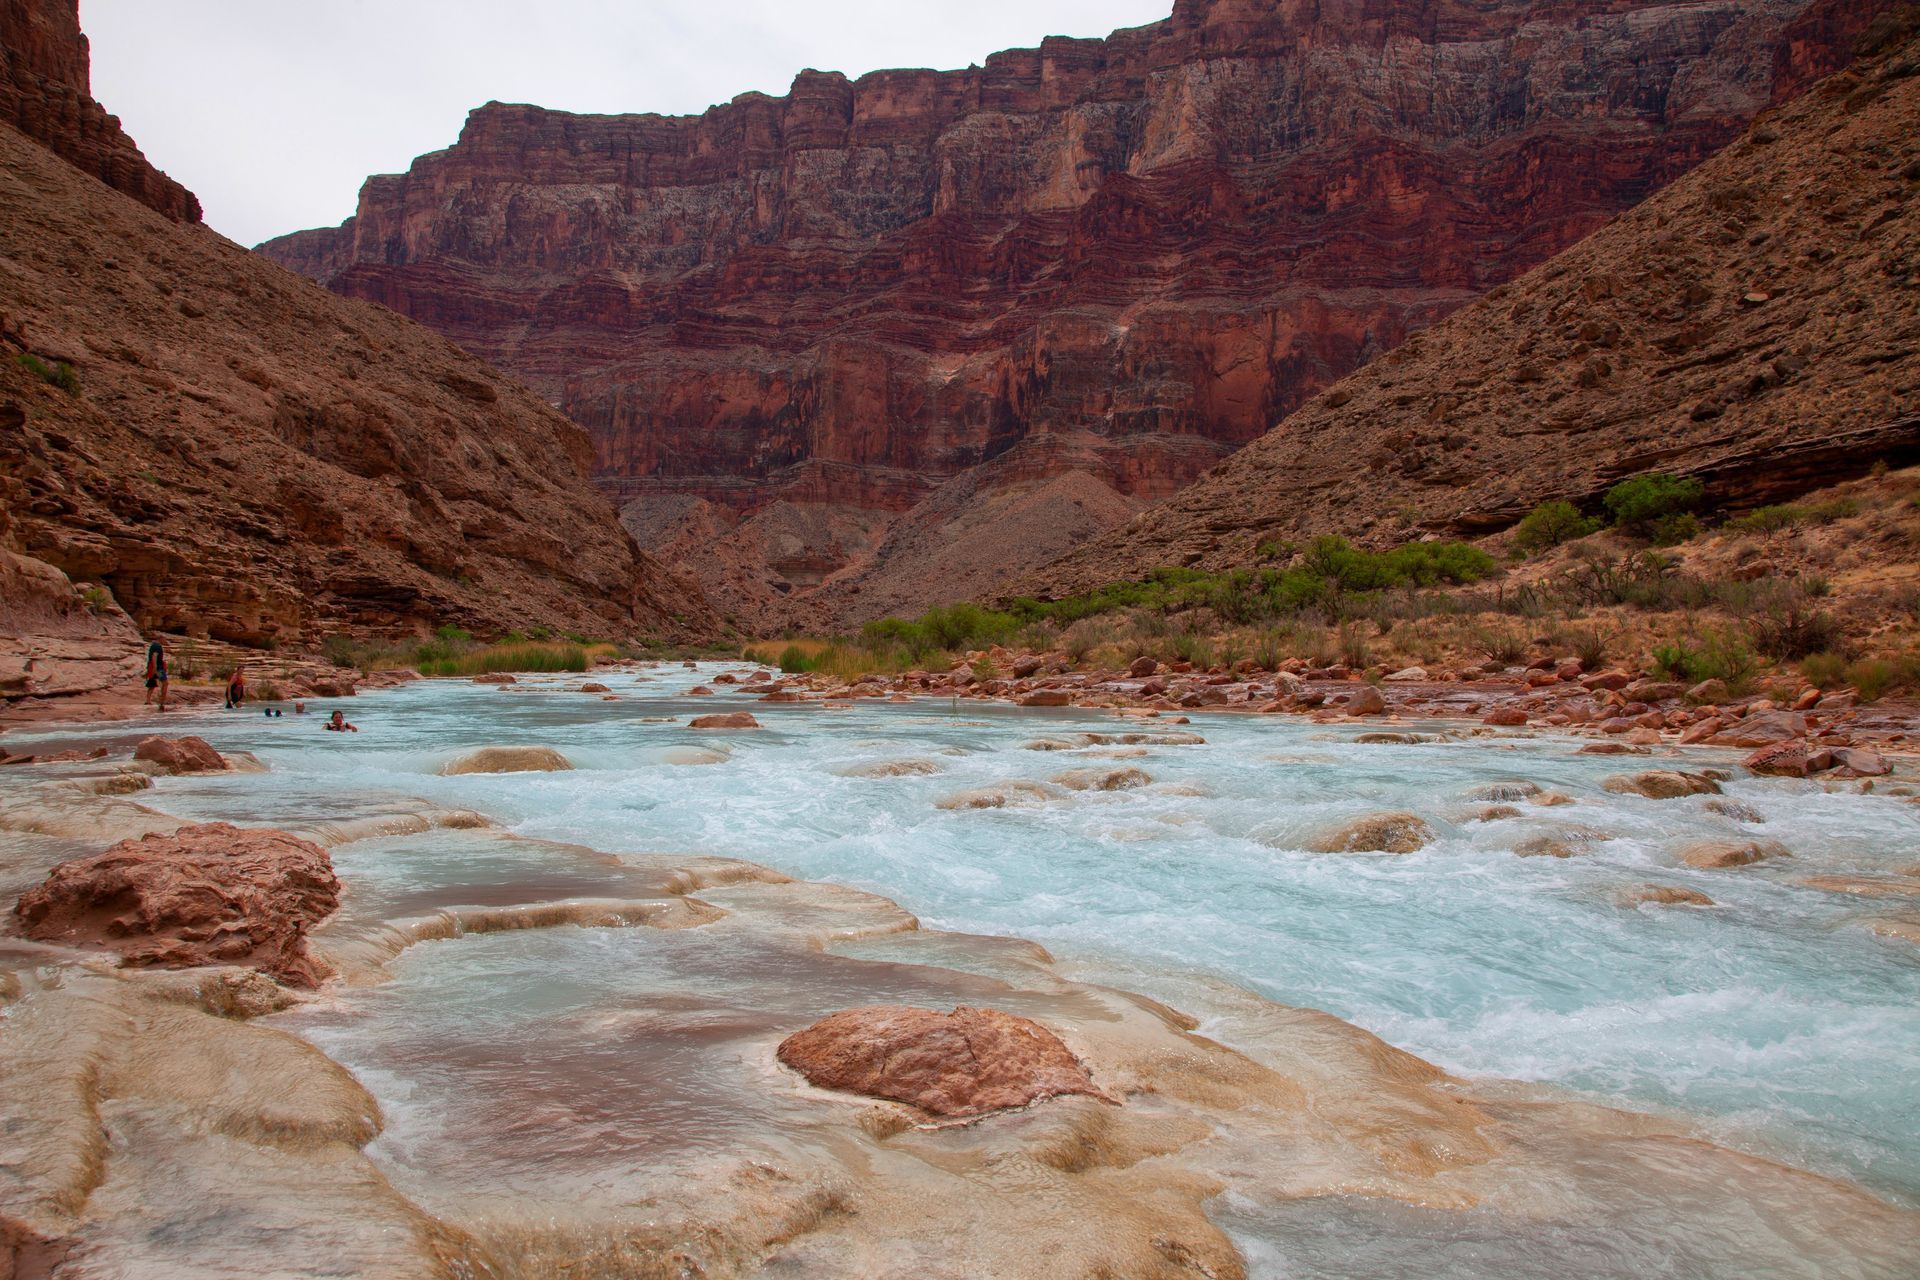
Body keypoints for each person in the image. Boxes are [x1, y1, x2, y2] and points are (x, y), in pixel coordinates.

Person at [143, 640, 169, 712]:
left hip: (153, 667)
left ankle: (148, 701)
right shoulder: (157, 646)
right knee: (165, 683)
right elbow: (154, 656)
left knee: (152, 683)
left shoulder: (153, 646)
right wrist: (155, 668)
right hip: (158, 669)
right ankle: (162, 702)